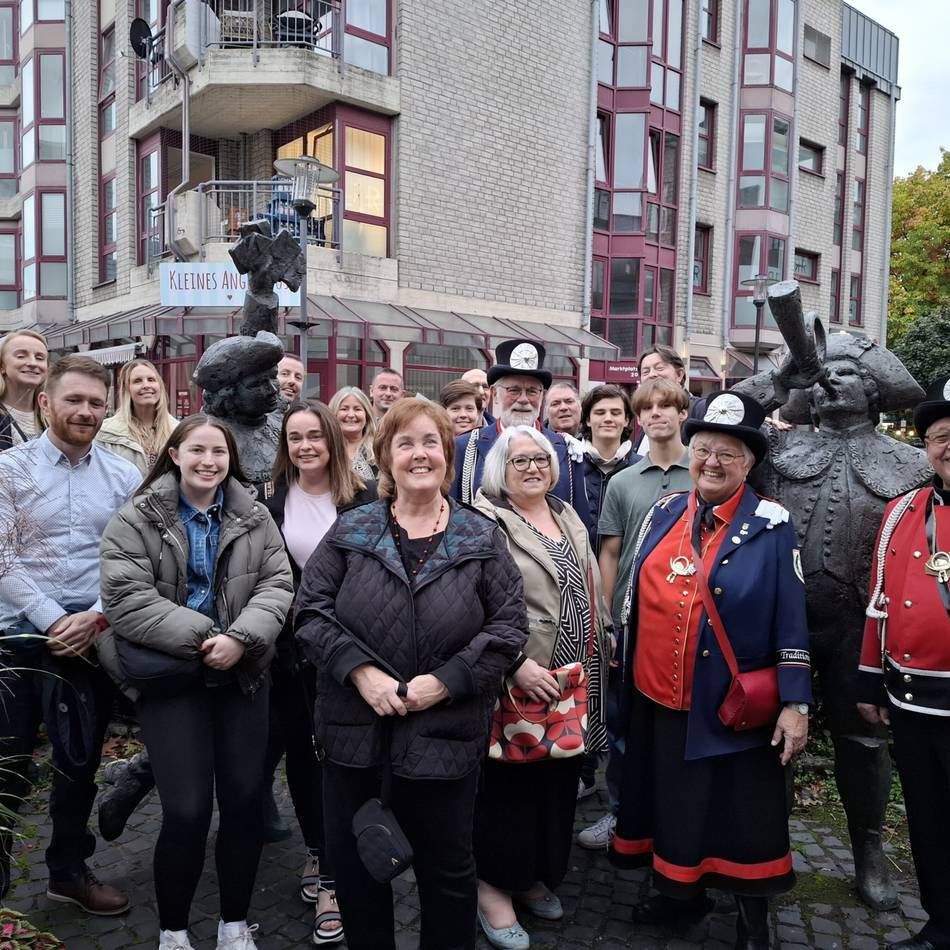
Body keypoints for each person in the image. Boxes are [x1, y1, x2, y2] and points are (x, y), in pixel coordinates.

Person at [294, 398, 527, 950]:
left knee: (447, 875)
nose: (418, 454)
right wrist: (361, 673)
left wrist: (448, 680)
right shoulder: (352, 531)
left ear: (447, 456)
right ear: (384, 458)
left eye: (430, 443)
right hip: (354, 734)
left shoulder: (480, 537)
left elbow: (509, 627)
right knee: (356, 872)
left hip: (444, 738)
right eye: (405, 443)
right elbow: (310, 611)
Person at [733, 314, 930, 910]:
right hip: (779, 624)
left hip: (862, 628)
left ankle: (869, 855)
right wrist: (781, 375)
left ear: (873, 390)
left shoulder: (913, 465)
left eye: (846, 374)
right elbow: (726, 414)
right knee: (772, 737)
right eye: (822, 375)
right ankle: (768, 850)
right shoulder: (774, 451)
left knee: (862, 739)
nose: (829, 383)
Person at [609, 391, 811, 949]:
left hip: (730, 707)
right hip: (659, 698)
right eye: (703, 449)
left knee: (743, 818)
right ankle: (681, 898)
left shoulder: (772, 525)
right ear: (689, 451)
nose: (713, 462)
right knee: (674, 806)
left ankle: (753, 923)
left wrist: (796, 704)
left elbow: (791, 617)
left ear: (749, 464)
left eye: (729, 453)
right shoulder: (664, 511)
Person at [98, 415, 294, 950]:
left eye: (219, 452)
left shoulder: (254, 516)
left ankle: (234, 923)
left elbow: (278, 585)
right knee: (186, 810)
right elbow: (126, 598)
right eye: (198, 450)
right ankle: (173, 930)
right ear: (176, 454)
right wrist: (210, 639)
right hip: (175, 680)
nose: (209, 461)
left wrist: (242, 640)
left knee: (244, 801)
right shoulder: (137, 517)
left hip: (243, 678)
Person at [0, 355, 140, 910]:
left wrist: (96, 616)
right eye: (74, 400)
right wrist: (52, 619)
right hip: (18, 635)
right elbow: (2, 558)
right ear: (46, 403)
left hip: (90, 637)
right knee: (7, 762)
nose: (85, 411)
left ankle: (67, 871)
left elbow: (133, 559)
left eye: (95, 403)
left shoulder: (124, 475)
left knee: (78, 762)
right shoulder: (9, 470)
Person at [472, 425, 611, 950]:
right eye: (519, 461)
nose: (532, 468)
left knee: (557, 786)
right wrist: (512, 664)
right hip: (520, 682)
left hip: (573, 680)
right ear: (499, 470)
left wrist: (602, 635)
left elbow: (586, 581)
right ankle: (492, 888)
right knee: (510, 788)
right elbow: (472, 603)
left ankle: (530, 875)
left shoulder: (565, 512)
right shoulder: (487, 522)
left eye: (540, 459)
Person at [259, 399, 376, 946]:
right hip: (290, 656)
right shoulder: (269, 500)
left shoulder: (366, 498)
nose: (305, 446)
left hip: (351, 653)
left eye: (315, 436)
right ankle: (320, 858)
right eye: (295, 437)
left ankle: (336, 865)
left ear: (333, 439)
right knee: (304, 761)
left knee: (343, 761)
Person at [577, 378, 693, 840]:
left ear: (684, 413)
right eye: (648, 408)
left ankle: (677, 818)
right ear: (637, 419)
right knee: (623, 722)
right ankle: (622, 815)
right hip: (633, 622)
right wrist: (606, 622)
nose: (657, 414)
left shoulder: (702, 472)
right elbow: (609, 553)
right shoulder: (624, 482)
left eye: (667, 406)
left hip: (687, 622)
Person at [857, 375, 950, 950]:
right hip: (913, 701)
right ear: (927, 447)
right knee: (929, 822)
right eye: (941, 435)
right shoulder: (900, 513)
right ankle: (941, 926)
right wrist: (870, 682)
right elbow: (879, 603)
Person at [451, 340, 589, 525]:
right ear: (494, 393)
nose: (524, 400)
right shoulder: (465, 447)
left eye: (532, 391)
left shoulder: (568, 449)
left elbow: (580, 524)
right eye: (513, 390)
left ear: (542, 395)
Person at [576, 384, 640, 550]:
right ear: (588, 420)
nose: (608, 418)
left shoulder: (641, 469)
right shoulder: (571, 466)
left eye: (616, 413)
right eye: (600, 412)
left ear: (626, 420)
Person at [96, 358, 179, 475]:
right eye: (137, 381)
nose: (146, 385)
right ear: (127, 389)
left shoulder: (178, 431)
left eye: (151, 379)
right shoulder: (105, 432)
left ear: (159, 385)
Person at [635, 345, 703, 453]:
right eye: (646, 372)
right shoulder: (647, 417)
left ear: (679, 375)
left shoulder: (700, 410)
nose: (652, 374)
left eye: (659, 368)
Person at [0, 329, 48, 449]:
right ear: (2, 366)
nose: (33, 363)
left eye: (40, 358)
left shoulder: (55, 416)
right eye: (21, 356)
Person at [329, 386, 377, 479]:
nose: (351, 415)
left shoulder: (379, 449)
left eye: (357, 409)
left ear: (367, 416)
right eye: (344, 409)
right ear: (333, 414)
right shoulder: (324, 448)